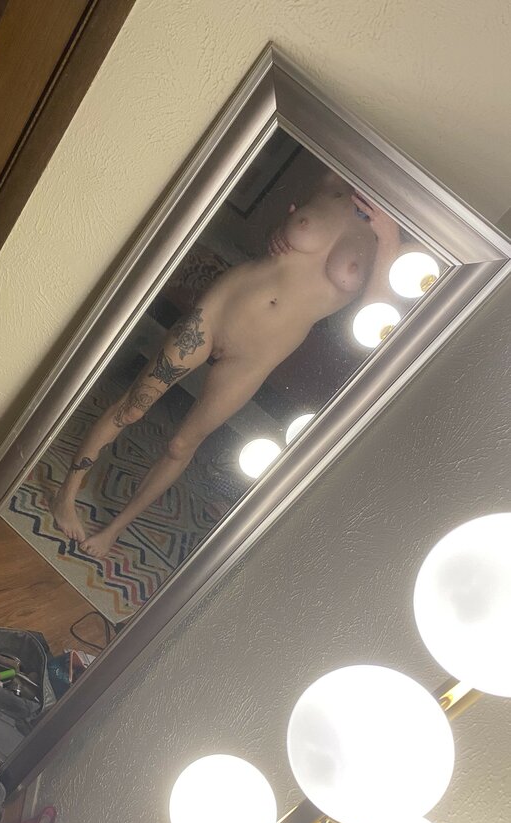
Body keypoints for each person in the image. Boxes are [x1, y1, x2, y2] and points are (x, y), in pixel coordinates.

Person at [51, 171, 401, 558]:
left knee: (181, 445)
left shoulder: (392, 241)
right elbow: (283, 228)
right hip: (222, 306)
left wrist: (388, 239)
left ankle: (114, 530)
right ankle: (66, 496)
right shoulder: (334, 182)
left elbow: (377, 318)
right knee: (133, 406)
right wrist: (280, 229)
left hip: (261, 352)